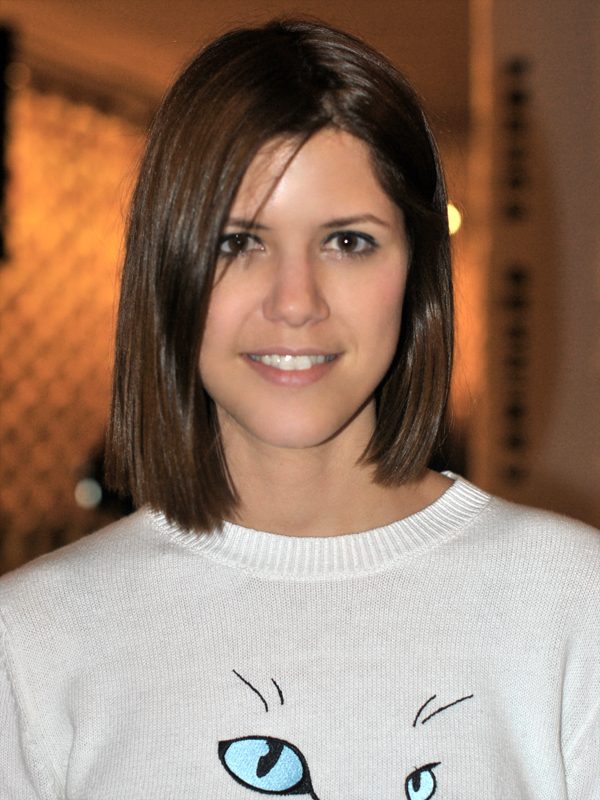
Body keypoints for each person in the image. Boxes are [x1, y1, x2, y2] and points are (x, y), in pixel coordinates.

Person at [1, 19, 598, 800]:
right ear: (168, 270)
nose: (294, 302)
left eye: (347, 242)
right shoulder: (35, 642)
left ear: (417, 273)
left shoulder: (570, 604)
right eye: (238, 242)